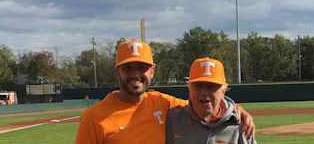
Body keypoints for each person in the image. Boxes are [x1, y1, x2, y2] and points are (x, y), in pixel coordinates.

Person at [75, 40, 255, 144]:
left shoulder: (163, 103)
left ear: (152, 71)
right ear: (117, 72)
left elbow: (204, 105)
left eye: (142, 68)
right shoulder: (94, 117)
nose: (135, 74)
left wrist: (236, 110)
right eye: (128, 68)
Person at [166, 57, 257, 144]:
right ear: (189, 88)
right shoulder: (172, 119)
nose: (204, 91)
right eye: (198, 85)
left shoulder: (241, 126)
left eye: (211, 86)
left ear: (223, 90)